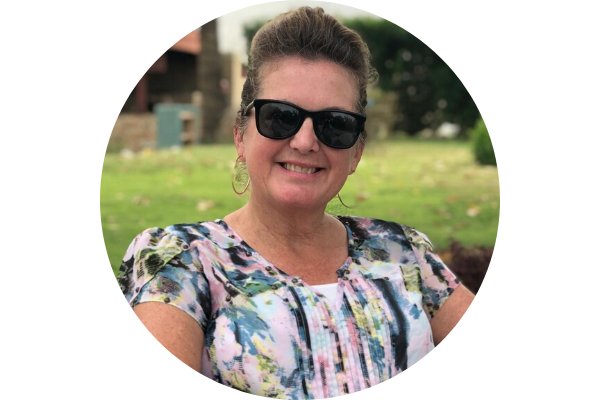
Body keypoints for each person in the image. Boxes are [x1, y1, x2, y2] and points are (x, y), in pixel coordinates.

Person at [117, 7, 540, 399]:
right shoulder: (179, 260)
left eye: (334, 125)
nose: (305, 141)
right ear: (241, 136)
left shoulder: (401, 251)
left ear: (355, 153)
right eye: (280, 116)